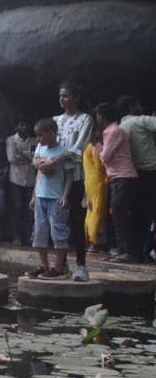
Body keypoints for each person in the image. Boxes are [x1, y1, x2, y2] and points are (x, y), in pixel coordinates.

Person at [38, 81, 93, 281]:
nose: (62, 99)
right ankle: (60, 265)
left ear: (76, 98)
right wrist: (42, 164)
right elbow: (43, 145)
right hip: (53, 181)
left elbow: (79, 148)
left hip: (74, 177)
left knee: (76, 221)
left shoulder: (85, 119)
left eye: (66, 95)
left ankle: (81, 265)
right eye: (60, 95)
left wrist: (55, 161)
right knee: (55, 224)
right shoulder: (55, 120)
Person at [95, 101, 142, 263]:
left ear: (102, 116)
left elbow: (105, 157)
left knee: (121, 216)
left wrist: (99, 150)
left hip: (124, 177)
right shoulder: (110, 131)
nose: (97, 119)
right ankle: (121, 251)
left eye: (98, 115)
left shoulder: (115, 131)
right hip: (116, 178)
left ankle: (129, 252)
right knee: (116, 215)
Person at [29, 117, 76, 279]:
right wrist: (34, 195)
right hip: (40, 196)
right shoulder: (40, 151)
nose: (38, 139)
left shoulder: (63, 152)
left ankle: (58, 267)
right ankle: (44, 265)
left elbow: (70, 176)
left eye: (40, 135)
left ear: (51, 133)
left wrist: (65, 196)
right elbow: (38, 175)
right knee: (39, 232)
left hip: (56, 198)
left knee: (58, 232)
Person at [118, 96, 156, 257]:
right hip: (151, 171)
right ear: (131, 106)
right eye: (138, 104)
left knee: (138, 214)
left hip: (133, 174)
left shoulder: (121, 126)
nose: (141, 107)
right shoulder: (141, 120)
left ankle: (136, 252)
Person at [5, 118, 37, 246]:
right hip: (15, 179)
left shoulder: (34, 141)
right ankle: (16, 236)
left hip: (31, 180)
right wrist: (30, 156)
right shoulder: (10, 140)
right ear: (17, 126)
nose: (24, 127)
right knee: (16, 209)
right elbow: (12, 158)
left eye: (26, 124)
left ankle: (28, 236)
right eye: (21, 124)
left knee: (29, 210)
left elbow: (37, 158)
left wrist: (22, 154)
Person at [83, 129, 111, 254]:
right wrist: (109, 174)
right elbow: (99, 166)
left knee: (90, 211)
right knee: (97, 212)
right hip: (99, 182)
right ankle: (93, 243)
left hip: (89, 183)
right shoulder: (96, 148)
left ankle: (88, 240)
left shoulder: (87, 148)